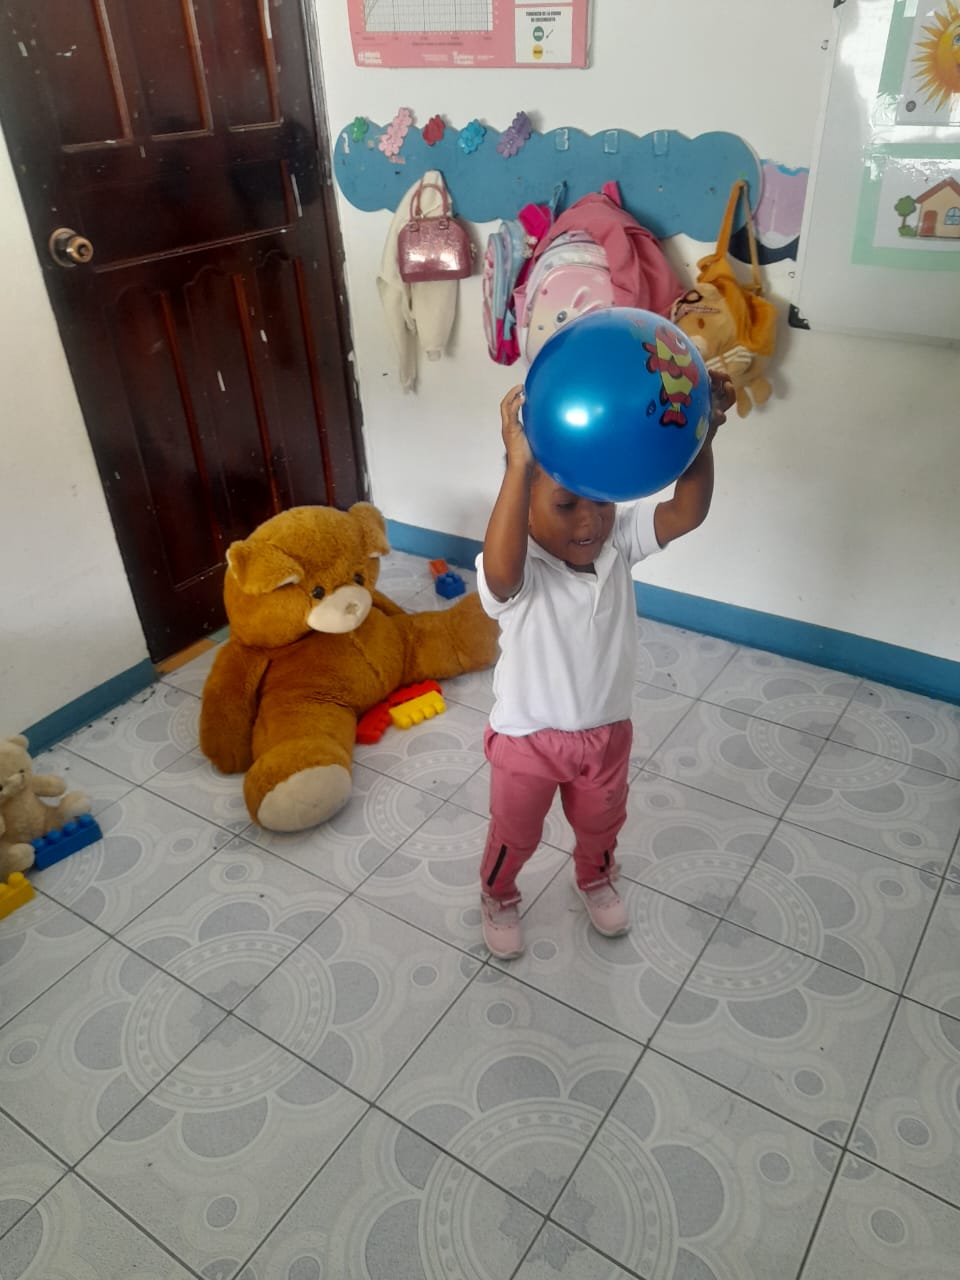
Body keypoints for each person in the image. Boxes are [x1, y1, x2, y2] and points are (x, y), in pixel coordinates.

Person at [475, 373, 734, 959]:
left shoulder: (618, 545)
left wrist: (704, 435)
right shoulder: (520, 566)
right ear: (525, 505)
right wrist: (518, 465)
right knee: (516, 833)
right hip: (528, 741)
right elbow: (499, 574)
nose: (589, 521)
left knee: (601, 826)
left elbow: (686, 512)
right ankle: (498, 892)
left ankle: (594, 878)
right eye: (566, 505)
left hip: (606, 734)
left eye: (601, 501)